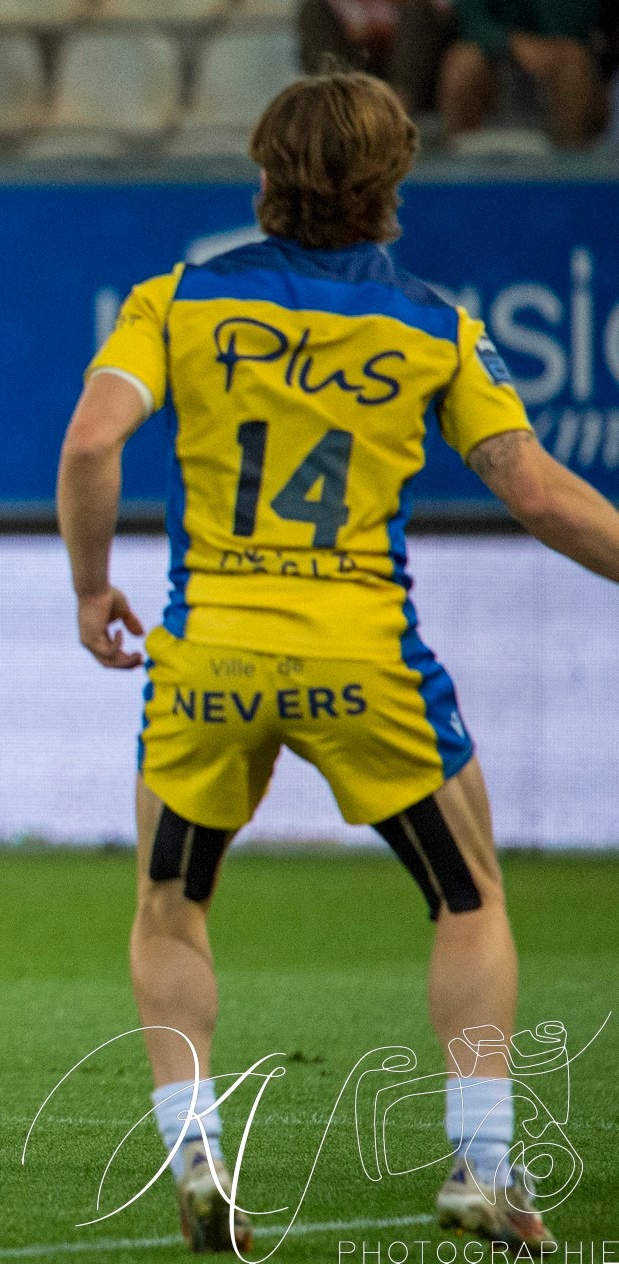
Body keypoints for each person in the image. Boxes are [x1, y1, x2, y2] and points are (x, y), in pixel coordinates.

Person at [56, 71, 619, 1253]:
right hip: (361, 658)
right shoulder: (432, 328)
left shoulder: (175, 303)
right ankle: (480, 1165)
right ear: (392, 181)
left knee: (169, 906)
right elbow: (535, 493)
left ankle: (196, 1149)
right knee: (466, 898)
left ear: (263, 173)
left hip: (209, 658)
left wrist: (89, 587)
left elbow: (91, 443)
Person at [439, 0, 608, 147]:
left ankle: (569, 157)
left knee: (575, 59)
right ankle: (463, 158)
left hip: (557, 47)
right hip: (496, 50)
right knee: (462, 61)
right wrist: (512, 43)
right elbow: (471, 20)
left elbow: (578, 24)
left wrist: (541, 46)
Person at [299, 0, 454, 111]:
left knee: (417, 12)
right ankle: (335, 105)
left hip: (417, 74)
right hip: (358, 65)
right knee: (315, 10)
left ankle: (397, 108)